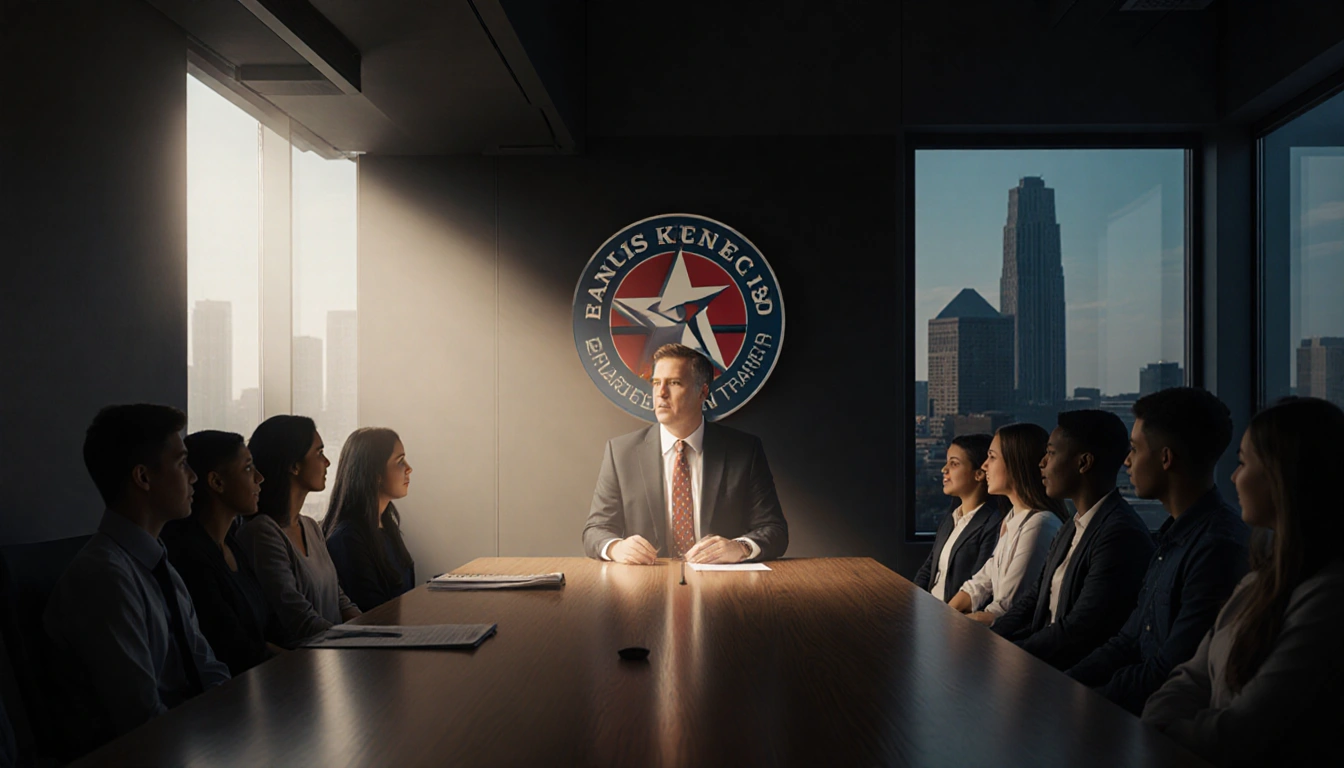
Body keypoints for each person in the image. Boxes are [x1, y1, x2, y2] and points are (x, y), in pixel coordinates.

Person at [1142, 398, 1344, 766]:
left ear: (1283, 476)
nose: (1233, 477)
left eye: (1243, 462)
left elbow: (1242, 733)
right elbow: (1189, 677)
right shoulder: (1256, 583)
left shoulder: (1328, 598)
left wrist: (1167, 731)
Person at [43, 405, 229, 747]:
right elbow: (141, 722)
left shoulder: (159, 565)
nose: (193, 477)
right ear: (143, 477)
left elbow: (207, 667)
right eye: (181, 463)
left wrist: (232, 721)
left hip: (195, 738)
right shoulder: (104, 578)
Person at [1067, 389, 1249, 715]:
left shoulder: (1216, 548)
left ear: (1165, 459)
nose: (1127, 461)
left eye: (1135, 450)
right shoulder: (1171, 538)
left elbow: (1168, 670)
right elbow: (1128, 641)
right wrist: (1063, 685)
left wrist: (1082, 701)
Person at [583, 343, 788, 564]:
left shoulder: (744, 451)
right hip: (646, 585)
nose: (661, 393)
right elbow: (595, 530)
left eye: (674, 383)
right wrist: (616, 547)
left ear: (703, 392)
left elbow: (774, 530)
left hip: (722, 587)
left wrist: (740, 547)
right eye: (656, 383)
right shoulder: (621, 453)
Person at [991, 410, 1154, 670]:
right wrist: (992, 639)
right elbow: (1034, 599)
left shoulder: (1120, 534)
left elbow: (1079, 629)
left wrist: (1008, 656)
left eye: (1051, 453)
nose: (1041, 463)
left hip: (1067, 674)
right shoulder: (1073, 524)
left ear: (1083, 463)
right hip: (1041, 660)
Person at [162, 430, 280, 675]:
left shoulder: (232, 544)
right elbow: (235, 651)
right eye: (248, 469)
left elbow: (268, 628)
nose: (259, 478)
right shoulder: (189, 557)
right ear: (216, 482)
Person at [237, 416, 359, 646]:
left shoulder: (311, 526)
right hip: (302, 667)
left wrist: (371, 631)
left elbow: (339, 598)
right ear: (294, 465)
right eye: (319, 453)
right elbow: (297, 618)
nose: (327, 462)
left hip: (335, 652)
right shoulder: (262, 533)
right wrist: (356, 640)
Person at [949, 424, 1065, 624]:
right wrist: (943, 615)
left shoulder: (1039, 526)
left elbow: (1006, 610)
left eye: (992, 457)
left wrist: (948, 625)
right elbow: (979, 585)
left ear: (1016, 464)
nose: (984, 465)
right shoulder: (1012, 518)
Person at [322, 428, 417, 612]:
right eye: (400, 461)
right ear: (375, 474)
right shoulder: (347, 539)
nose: (409, 468)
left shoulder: (387, 526)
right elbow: (371, 611)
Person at [914, 434, 1004, 603]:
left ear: (979, 474)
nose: (944, 469)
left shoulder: (993, 524)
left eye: (954, 464)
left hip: (953, 617)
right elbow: (929, 568)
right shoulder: (952, 518)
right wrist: (913, 601)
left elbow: (980, 585)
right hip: (930, 610)